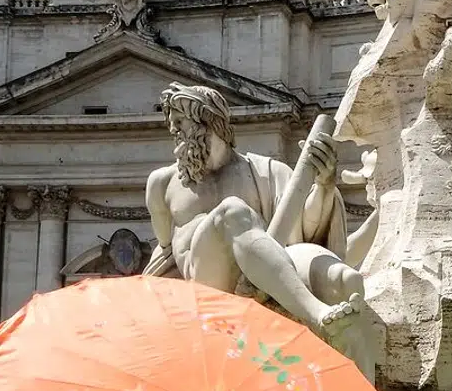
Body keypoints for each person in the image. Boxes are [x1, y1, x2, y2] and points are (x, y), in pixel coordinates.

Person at [141, 83, 362, 341]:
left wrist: (324, 185)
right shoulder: (162, 183)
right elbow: (165, 251)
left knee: (232, 212)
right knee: (231, 211)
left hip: (257, 285)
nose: (173, 131)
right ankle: (317, 312)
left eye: (179, 122)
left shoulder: (266, 172)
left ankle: (317, 312)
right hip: (200, 288)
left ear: (206, 120)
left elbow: (304, 229)